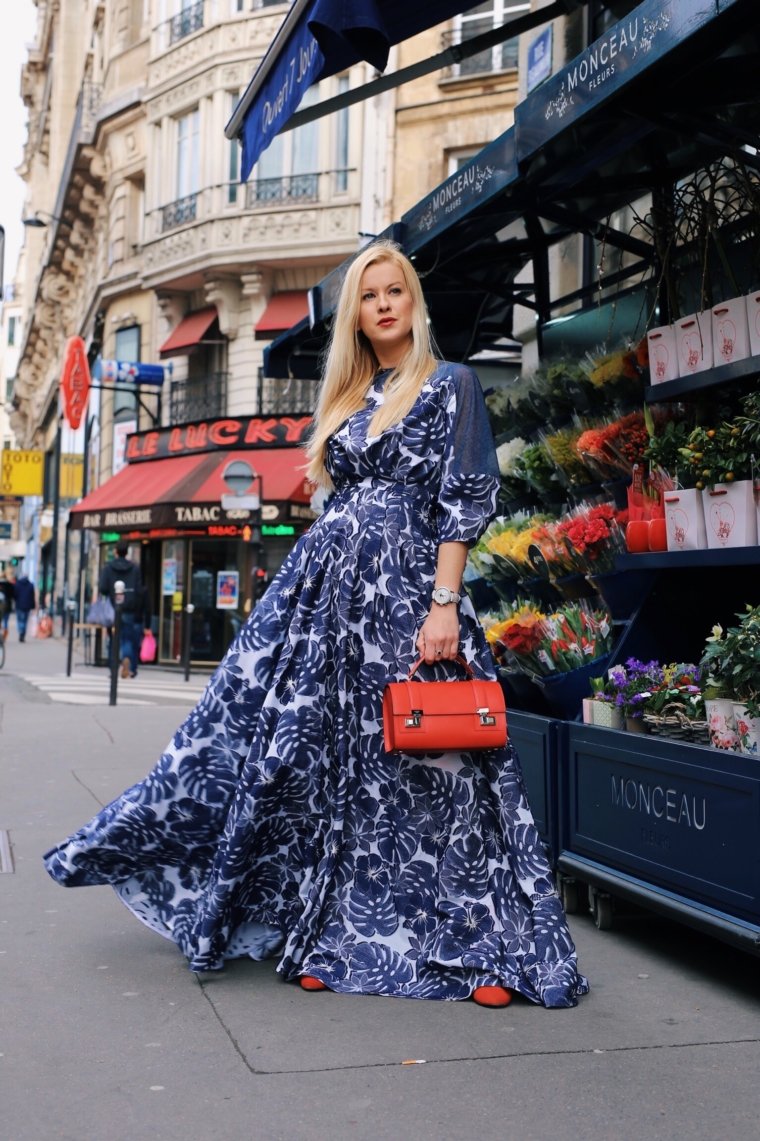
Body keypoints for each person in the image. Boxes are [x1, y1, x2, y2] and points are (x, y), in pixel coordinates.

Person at [43, 241, 588, 1009]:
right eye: (370, 297)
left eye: (395, 291)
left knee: (443, 771)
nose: (385, 304)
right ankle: (333, 933)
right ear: (357, 317)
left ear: (414, 301)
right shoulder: (349, 400)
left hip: (410, 597)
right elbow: (331, 502)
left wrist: (443, 604)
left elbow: (464, 497)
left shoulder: (451, 384)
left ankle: (483, 951)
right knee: (331, 768)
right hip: (330, 606)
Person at [97, 542, 150, 678]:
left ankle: (112, 668)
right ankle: (128, 663)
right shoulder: (134, 568)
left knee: (112, 640)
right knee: (128, 639)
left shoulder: (108, 567)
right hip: (128, 609)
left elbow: (102, 588)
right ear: (127, 552)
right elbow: (139, 590)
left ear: (115, 551)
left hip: (112, 609)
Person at [14, 574, 35, 643]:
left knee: (19, 620)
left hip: (19, 605)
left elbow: (15, 595)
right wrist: (33, 605)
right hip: (27, 605)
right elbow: (32, 597)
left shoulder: (18, 584)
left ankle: (20, 630)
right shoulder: (30, 585)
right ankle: (23, 633)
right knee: (25, 621)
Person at [0, 571, 14, 641]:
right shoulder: (9, 585)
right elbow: (12, 595)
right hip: (7, 606)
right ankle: (4, 637)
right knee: (5, 621)